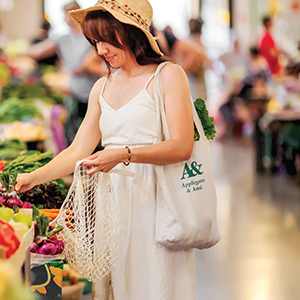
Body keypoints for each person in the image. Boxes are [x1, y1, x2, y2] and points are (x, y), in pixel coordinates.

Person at [15, 0, 196, 299]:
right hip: (113, 207)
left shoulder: (167, 75)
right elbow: (77, 150)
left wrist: (124, 155)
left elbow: (182, 145)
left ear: (131, 32)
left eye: (106, 40)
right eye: (95, 41)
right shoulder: (103, 86)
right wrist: (35, 176)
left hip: (156, 200)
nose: (100, 50)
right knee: (119, 285)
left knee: (157, 283)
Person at [26, 1, 106, 144]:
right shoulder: (63, 38)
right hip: (74, 90)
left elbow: (90, 62)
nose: (64, 19)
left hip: (93, 88)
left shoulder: (91, 36)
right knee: (78, 130)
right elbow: (39, 51)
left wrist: (78, 68)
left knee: (95, 128)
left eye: (66, 16)